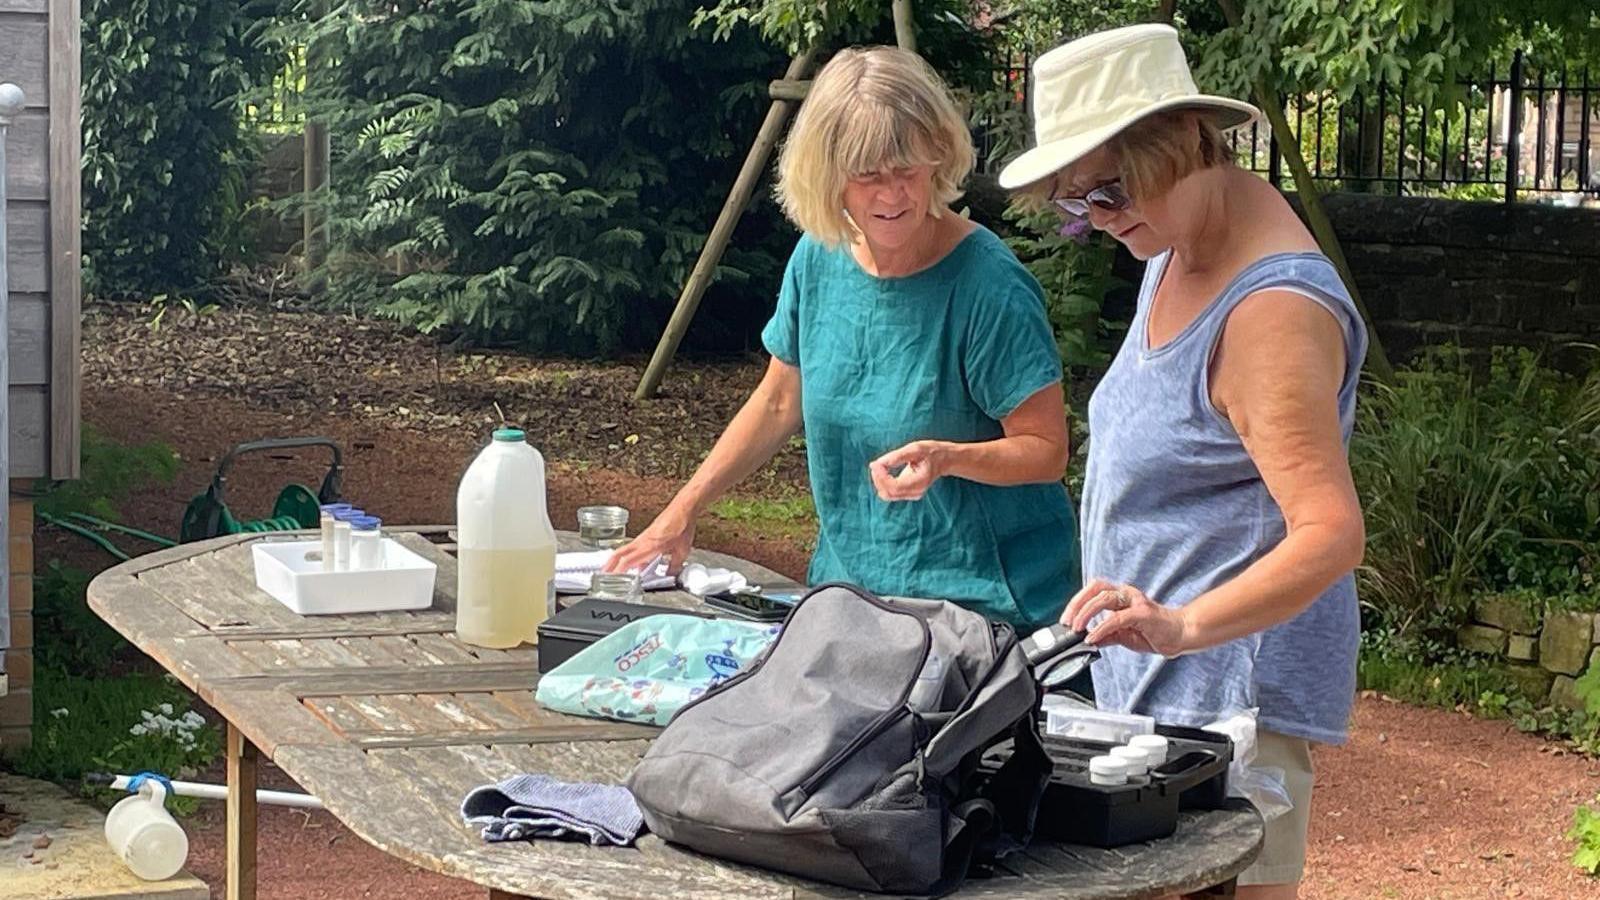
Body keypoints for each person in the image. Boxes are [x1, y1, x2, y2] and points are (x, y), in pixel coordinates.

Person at [997, 24, 1367, 898]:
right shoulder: (1178, 239)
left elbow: (1330, 534)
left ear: (1184, 142)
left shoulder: (1271, 310)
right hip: (1166, 689)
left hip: (1227, 701)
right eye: (1077, 201)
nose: (1101, 217)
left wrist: (1184, 625)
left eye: (1112, 191)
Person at [606, 46, 1078, 632]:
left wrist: (948, 458)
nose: (892, 195)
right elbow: (779, 402)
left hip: (984, 613)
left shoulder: (990, 286)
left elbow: (1046, 450)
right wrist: (682, 511)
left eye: (907, 170)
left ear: (938, 157)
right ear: (828, 177)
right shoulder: (818, 259)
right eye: (868, 176)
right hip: (849, 596)